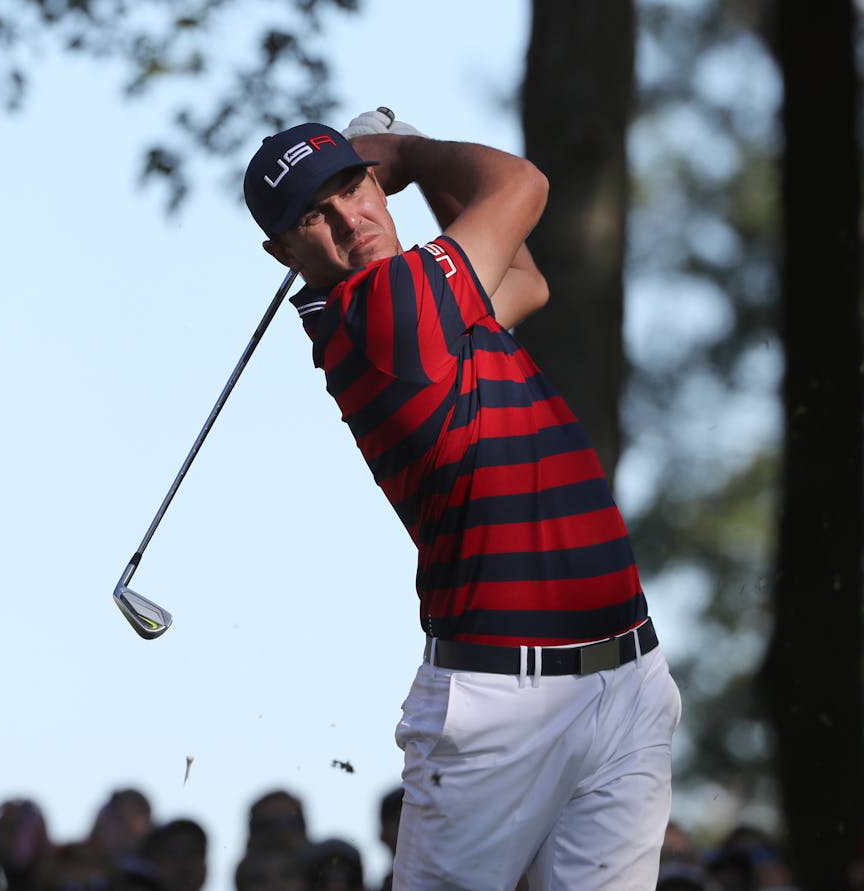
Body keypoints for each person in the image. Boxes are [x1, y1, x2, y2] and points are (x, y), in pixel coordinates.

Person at [242, 109, 681, 891]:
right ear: (283, 253)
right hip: (496, 703)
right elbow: (522, 184)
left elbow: (526, 281)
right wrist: (409, 152)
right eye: (316, 215)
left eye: (353, 188)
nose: (351, 220)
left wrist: (405, 172)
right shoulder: (385, 314)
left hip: (628, 675)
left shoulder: (431, 302)